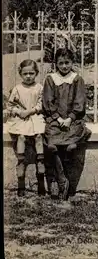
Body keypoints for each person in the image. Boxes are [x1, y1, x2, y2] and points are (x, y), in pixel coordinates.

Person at [42, 48, 91, 200]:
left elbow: (80, 102)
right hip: (55, 120)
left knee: (70, 147)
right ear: (56, 63)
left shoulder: (77, 79)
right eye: (61, 63)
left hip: (73, 120)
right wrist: (58, 118)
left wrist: (69, 118)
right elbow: (47, 102)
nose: (64, 66)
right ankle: (62, 180)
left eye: (67, 63)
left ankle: (69, 181)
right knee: (52, 146)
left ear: (72, 63)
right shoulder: (51, 79)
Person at [6, 59, 46, 197]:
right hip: (21, 118)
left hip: (34, 116)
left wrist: (31, 111)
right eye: (25, 74)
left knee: (39, 135)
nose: (28, 76)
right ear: (20, 74)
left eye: (31, 73)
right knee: (21, 136)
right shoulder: (17, 89)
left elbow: (42, 104)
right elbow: (10, 106)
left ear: (36, 73)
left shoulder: (39, 88)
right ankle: (21, 163)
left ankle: (40, 165)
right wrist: (19, 112)